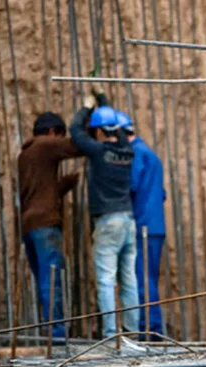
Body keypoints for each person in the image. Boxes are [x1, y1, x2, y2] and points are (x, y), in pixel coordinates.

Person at [69, 92, 139, 339]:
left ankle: (111, 334)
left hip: (108, 222)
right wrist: (103, 98)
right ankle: (131, 332)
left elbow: (75, 131)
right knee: (129, 279)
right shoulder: (127, 150)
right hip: (128, 220)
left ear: (98, 131)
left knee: (107, 281)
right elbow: (116, 130)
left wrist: (87, 107)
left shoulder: (98, 151)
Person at [18, 112, 81, 338]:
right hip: (45, 224)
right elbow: (76, 146)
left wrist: (65, 184)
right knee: (51, 279)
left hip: (28, 225)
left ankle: (51, 331)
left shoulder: (25, 154)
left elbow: (40, 191)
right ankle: (56, 334)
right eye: (59, 136)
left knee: (43, 279)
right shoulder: (45, 145)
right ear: (53, 132)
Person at [116, 110, 167, 340]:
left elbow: (130, 184)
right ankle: (152, 329)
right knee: (149, 278)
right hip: (155, 225)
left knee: (142, 279)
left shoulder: (136, 154)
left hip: (143, 226)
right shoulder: (151, 154)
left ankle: (151, 331)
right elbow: (161, 193)